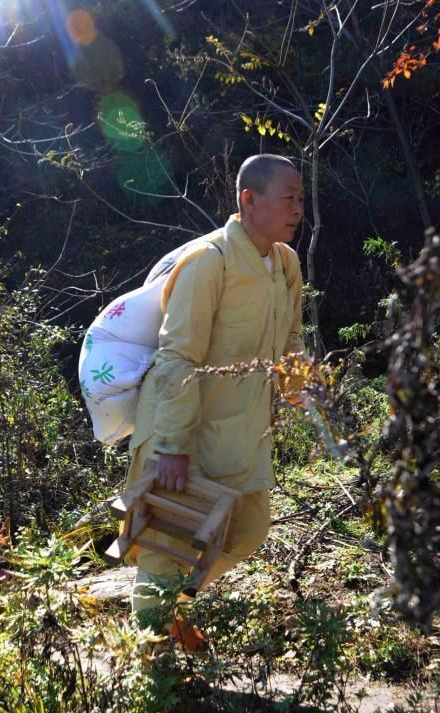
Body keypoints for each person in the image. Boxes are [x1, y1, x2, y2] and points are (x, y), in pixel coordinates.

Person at [125, 154, 305, 645]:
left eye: (301, 199)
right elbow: (177, 357)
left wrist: (298, 388)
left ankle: (173, 610)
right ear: (249, 199)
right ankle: (152, 655)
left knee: (248, 532)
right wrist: (172, 447)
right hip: (185, 432)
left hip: (242, 434)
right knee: (166, 542)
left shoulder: (286, 264)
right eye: (288, 198)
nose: (297, 209)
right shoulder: (210, 262)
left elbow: (290, 339)